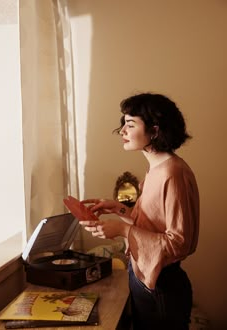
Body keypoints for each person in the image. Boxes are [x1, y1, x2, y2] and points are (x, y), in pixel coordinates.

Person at [80, 92, 199, 330]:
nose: (121, 131)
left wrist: (123, 230)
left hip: (162, 285)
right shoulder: (156, 168)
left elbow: (178, 242)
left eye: (130, 124)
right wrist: (121, 209)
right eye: (123, 123)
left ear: (155, 130)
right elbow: (153, 224)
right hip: (146, 278)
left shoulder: (172, 173)